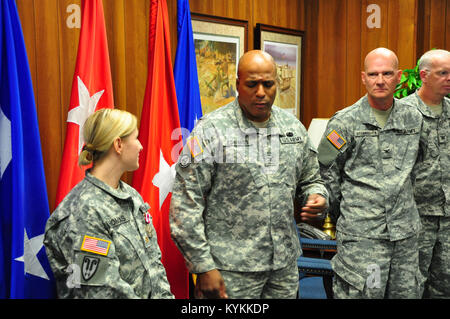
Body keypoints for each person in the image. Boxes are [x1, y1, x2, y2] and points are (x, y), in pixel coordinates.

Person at [169, 50, 329, 299]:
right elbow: (185, 206)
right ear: (237, 85)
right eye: (252, 84)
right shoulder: (211, 131)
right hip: (229, 271)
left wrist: (317, 197)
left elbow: (311, 179)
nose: (261, 92)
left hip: (283, 269)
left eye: (268, 84)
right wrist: (203, 266)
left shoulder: (293, 129)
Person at [317, 48, 424, 298]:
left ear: (398, 77)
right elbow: (327, 174)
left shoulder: (414, 118)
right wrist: (351, 214)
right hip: (362, 238)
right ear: (363, 77)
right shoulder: (344, 122)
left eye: (387, 74)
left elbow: (419, 168)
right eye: (373, 74)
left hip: (405, 237)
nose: (380, 80)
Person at [44, 109, 173, 299]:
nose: (140, 146)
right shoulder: (82, 211)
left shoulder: (131, 196)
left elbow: (154, 264)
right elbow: (102, 291)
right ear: (118, 145)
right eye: (135, 138)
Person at [401, 49, 450, 298]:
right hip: (416, 217)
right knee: (412, 285)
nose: (449, 78)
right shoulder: (403, 113)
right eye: (444, 73)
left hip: (448, 217)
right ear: (424, 75)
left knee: (444, 287)